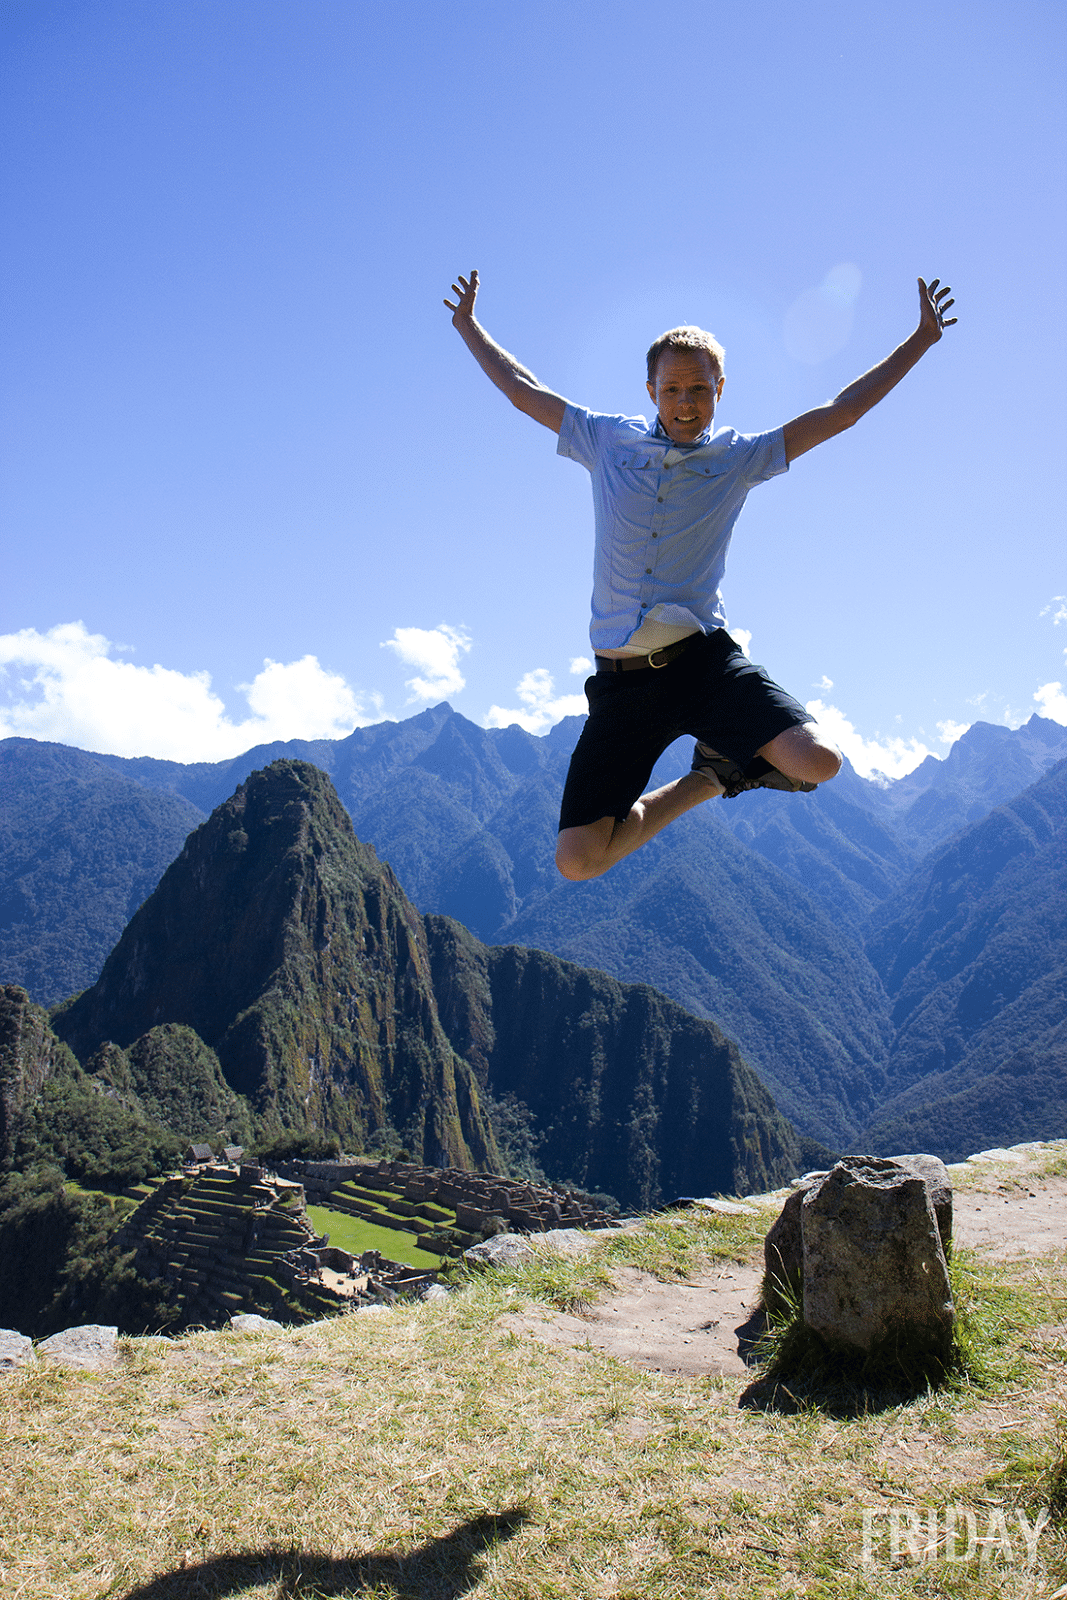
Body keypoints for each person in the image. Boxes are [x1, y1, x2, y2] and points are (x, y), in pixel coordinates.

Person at [444, 268, 956, 882]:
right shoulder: (605, 441)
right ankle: (709, 776)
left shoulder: (739, 459)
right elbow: (523, 389)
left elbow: (840, 412)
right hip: (621, 685)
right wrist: (469, 327)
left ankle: (721, 762)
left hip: (702, 662)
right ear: (651, 391)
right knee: (579, 861)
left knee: (819, 761)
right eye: (672, 389)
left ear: (720, 389)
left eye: (699, 390)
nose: (686, 403)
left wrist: (921, 339)